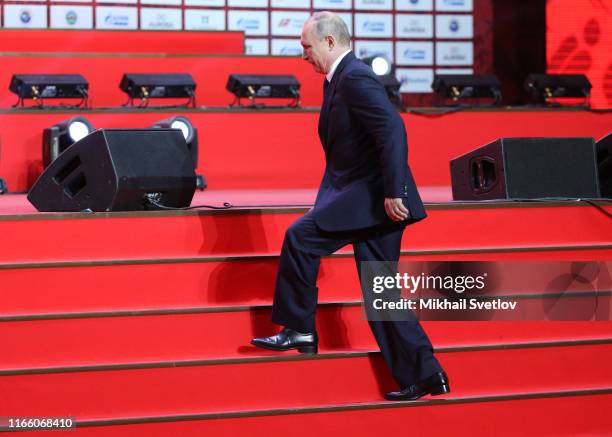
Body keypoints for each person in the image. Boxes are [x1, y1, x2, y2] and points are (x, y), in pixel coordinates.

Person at [251, 11, 449, 401]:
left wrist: (394, 191)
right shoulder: (338, 80)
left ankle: (300, 328)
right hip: (368, 197)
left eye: (306, 47)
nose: (302, 55)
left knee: (300, 238)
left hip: (377, 199)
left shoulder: (355, 77)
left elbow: (392, 129)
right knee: (381, 290)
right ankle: (427, 373)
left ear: (329, 42)